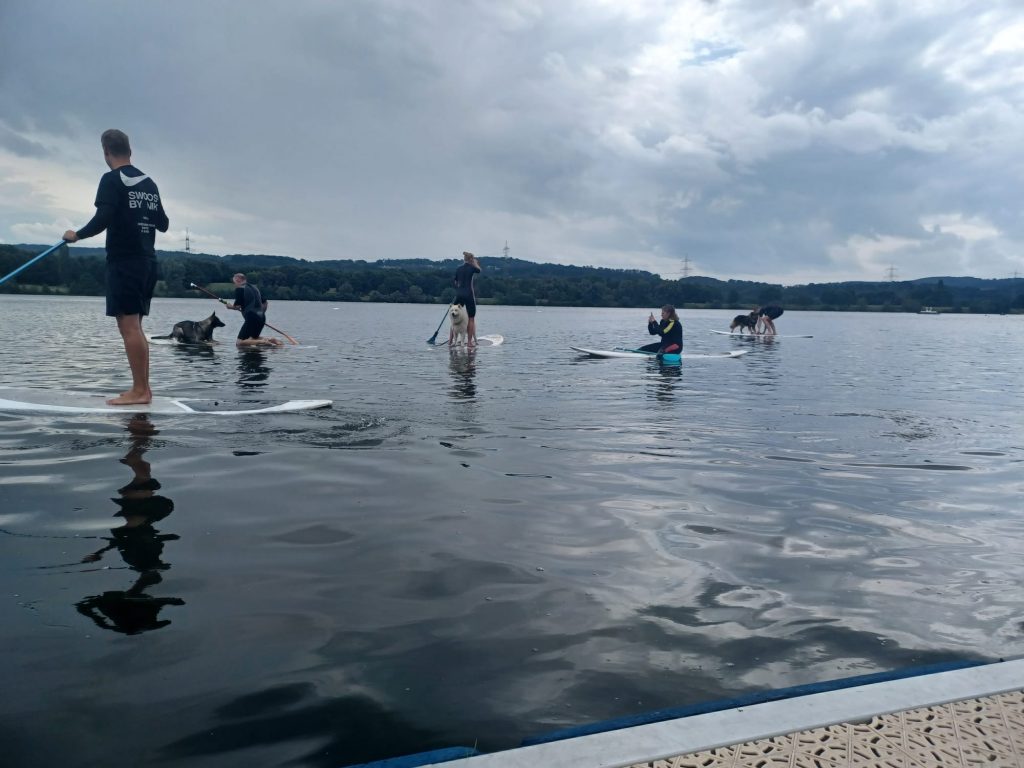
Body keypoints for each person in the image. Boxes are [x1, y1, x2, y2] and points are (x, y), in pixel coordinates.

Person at [63, 129, 169, 405]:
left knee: (129, 327)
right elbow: (163, 223)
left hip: (125, 261)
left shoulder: (111, 180)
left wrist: (77, 235)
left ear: (106, 152)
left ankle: (141, 392)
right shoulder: (150, 183)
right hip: (147, 261)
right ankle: (143, 389)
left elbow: (104, 216)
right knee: (136, 327)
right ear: (130, 151)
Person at [225, 273, 283, 346]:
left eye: (234, 282)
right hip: (262, 317)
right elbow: (265, 303)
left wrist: (229, 306)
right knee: (253, 338)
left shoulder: (239, 289)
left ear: (238, 280)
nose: (235, 285)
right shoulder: (254, 288)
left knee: (239, 343)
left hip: (251, 318)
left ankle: (263, 342)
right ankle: (271, 340)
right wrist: (260, 314)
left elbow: (237, 307)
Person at [452, 251, 481, 346]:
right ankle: (469, 342)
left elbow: (455, 283)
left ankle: (450, 341)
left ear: (464, 259)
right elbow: (479, 270)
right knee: (471, 318)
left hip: (459, 294)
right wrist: (475, 263)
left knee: (453, 318)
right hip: (468, 295)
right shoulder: (472, 267)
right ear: (471, 259)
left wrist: (459, 290)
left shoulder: (458, 268)